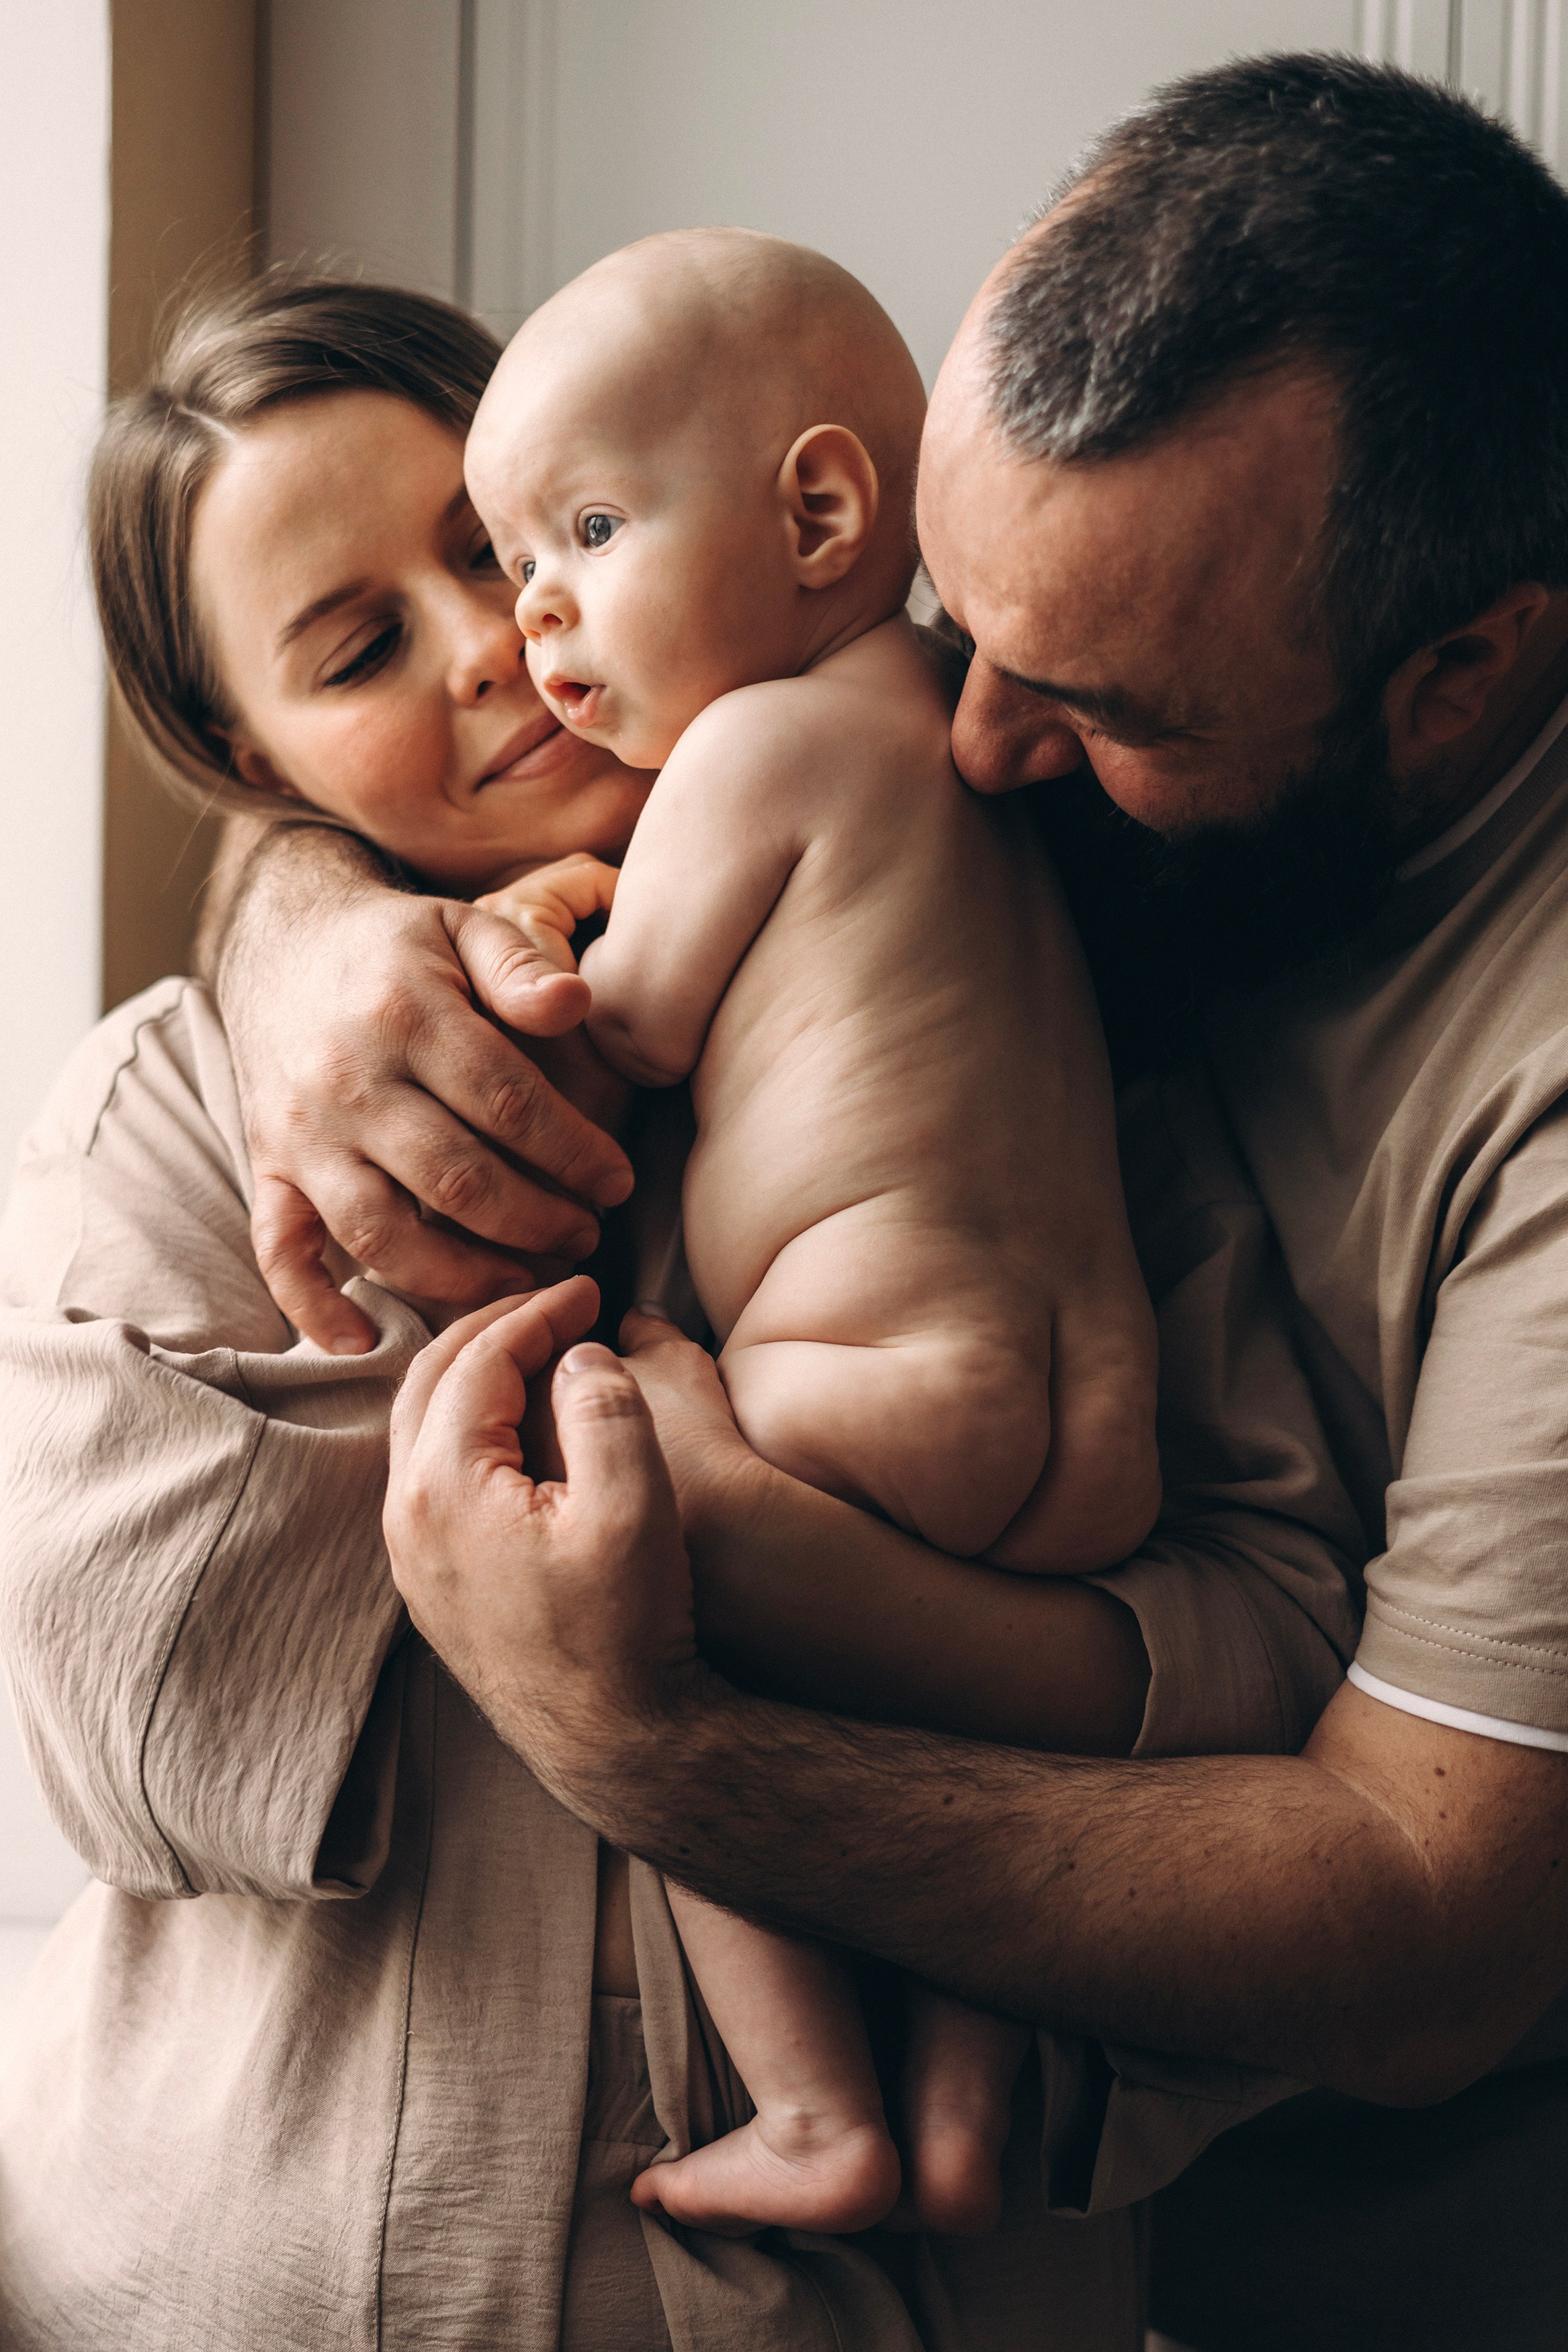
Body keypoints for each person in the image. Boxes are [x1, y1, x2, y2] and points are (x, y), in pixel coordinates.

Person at [210, 58, 1568, 2351]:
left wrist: (651, 1740)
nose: (969, 740)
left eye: (1093, 703)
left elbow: (1429, 1925)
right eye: (966, 609)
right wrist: (301, 939)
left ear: (1460, 672)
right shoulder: (1065, 612)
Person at [0, 275, 1158, 2351]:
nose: (498, 645)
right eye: (359, 647)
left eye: (501, 544)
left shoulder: (1052, 967)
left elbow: (1256, 1641)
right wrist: (328, 971)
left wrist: (777, 1605)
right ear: (250, 764)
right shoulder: (180, 1111)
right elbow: (146, 1749)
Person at [462, 223, 1158, 2236]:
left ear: (826, 510)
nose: (533, 621)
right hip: (1094, 1414)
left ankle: (819, 2105)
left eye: (587, 529)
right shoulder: (960, 720)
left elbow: (629, 1036)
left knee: (683, 1696)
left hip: (851, 1364)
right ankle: (962, 2113)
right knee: (964, 1772)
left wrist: (543, 922)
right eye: (520, 562)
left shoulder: (742, 752)